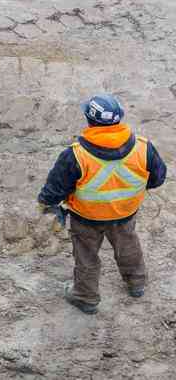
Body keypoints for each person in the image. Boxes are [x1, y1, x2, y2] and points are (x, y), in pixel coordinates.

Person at [38, 94, 166, 314]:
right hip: (125, 214)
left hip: (86, 218)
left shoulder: (75, 155)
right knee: (127, 245)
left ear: (89, 119)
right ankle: (137, 283)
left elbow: (55, 189)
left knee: (86, 255)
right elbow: (158, 178)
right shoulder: (144, 148)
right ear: (118, 119)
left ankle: (86, 297)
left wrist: (47, 204)